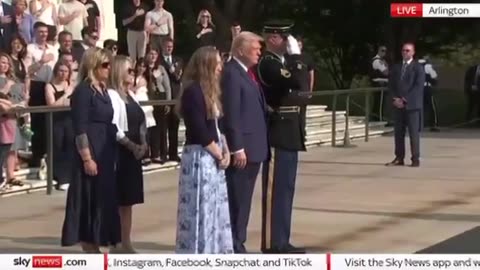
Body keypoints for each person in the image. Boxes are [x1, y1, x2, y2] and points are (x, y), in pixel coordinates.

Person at [256, 20, 309, 254]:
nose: (290, 42)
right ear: (273, 38)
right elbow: (297, 80)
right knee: (275, 191)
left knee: (286, 189)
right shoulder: (268, 63)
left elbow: (303, 84)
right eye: (286, 38)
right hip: (278, 130)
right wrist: (297, 58)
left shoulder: (283, 62)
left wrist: (295, 61)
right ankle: (272, 242)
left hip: (290, 130)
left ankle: (282, 240)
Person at [61, 48, 121, 253]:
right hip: (91, 154)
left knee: (102, 200)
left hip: (106, 152)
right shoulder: (84, 92)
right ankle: (90, 249)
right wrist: (87, 158)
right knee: (89, 201)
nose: (109, 68)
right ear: (93, 66)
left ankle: (98, 243)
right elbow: (80, 127)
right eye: (105, 65)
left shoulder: (103, 90)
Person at [175, 46, 233, 254]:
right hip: (200, 156)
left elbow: (217, 126)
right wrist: (219, 153)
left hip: (214, 155)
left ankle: (215, 250)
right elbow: (199, 128)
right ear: (207, 65)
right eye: (217, 63)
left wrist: (225, 151)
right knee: (200, 208)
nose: (220, 67)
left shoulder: (211, 92)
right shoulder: (193, 91)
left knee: (214, 208)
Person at [221, 31, 268, 253]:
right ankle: (234, 244)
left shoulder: (247, 73)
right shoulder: (231, 73)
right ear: (240, 49)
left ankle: (239, 240)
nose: (260, 51)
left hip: (254, 147)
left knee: (245, 199)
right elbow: (232, 113)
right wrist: (237, 147)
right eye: (255, 47)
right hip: (243, 150)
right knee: (238, 199)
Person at [108, 55, 147, 253]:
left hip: (134, 154)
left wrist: (143, 143)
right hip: (120, 152)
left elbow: (141, 120)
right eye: (129, 70)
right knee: (118, 200)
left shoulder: (130, 95)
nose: (133, 74)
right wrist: (131, 145)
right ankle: (116, 243)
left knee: (128, 201)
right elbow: (114, 126)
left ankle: (126, 241)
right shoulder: (113, 95)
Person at [25, 21, 59, 167]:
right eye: (40, 32)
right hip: (37, 86)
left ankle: (50, 154)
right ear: (35, 32)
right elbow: (28, 70)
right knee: (38, 121)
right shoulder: (30, 48)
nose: (44, 34)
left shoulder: (53, 49)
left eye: (45, 32)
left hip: (51, 85)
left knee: (51, 121)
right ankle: (37, 155)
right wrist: (41, 61)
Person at [385, 42, 425, 168]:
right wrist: (395, 99)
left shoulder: (418, 68)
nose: (405, 52)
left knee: (413, 133)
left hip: (412, 106)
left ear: (413, 52)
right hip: (398, 106)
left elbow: (418, 87)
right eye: (403, 50)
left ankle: (415, 159)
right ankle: (399, 157)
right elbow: (391, 85)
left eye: (408, 50)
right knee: (398, 133)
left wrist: (404, 100)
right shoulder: (396, 67)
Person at [44, 61, 74, 191]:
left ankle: (69, 176)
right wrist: (66, 94)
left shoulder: (70, 85)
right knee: (58, 147)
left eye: (66, 71)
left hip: (69, 119)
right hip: (55, 120)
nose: (63, 74)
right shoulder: (49, 86)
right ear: (56, 71)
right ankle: (61, 178)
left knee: (70, 146)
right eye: (61, 70)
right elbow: (52, 105)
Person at [159, 38, 182, 161]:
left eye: (171, 47)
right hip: (163, 98)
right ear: (163, 46)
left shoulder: (178, 60)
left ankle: (173, 153)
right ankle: (163, 154)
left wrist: (174, 72)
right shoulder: (159, 60)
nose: (169, 48)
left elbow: (178, 78)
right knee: (163, 127)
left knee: (175, 126)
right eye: (167, 46)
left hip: (176, 96)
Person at [418, 56, 439, 131]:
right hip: (427, 88)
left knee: (418, 107)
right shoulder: (428, 66)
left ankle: (418, 124)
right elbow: (434, 76)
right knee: (431, 107)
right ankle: (433, 124)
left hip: (417, 89)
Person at [369, 45, 389, 122]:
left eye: (385, 51)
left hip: (380, 83)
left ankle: (377, 118)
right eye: (382, 50)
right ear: (378, 51)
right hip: (379, 83)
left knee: (379, 102)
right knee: (379, 103)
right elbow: (386, 73)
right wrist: (386, 65)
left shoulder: (381, 61)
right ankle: (378, 118)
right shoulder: (377, 61)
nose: (384, 53)